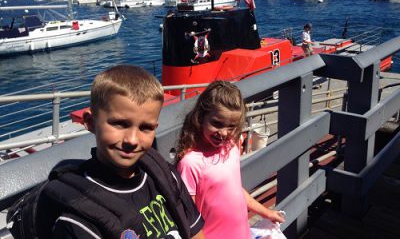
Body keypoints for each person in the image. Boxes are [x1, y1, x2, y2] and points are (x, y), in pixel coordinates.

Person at [41, 65, 205, 239]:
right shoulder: (78, 216)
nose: (132, 140)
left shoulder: (164, 175)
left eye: (146, 128)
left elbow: (195, 233)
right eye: (119, 124)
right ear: (90, 122)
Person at [175, 81, 285, 239]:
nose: (224, 133)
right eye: (217, 124)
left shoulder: (231, 147)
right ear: (200, 118)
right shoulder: (190, 163)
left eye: (231, 127)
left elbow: (236, 191)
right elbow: (188, 218)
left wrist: (266, 213)